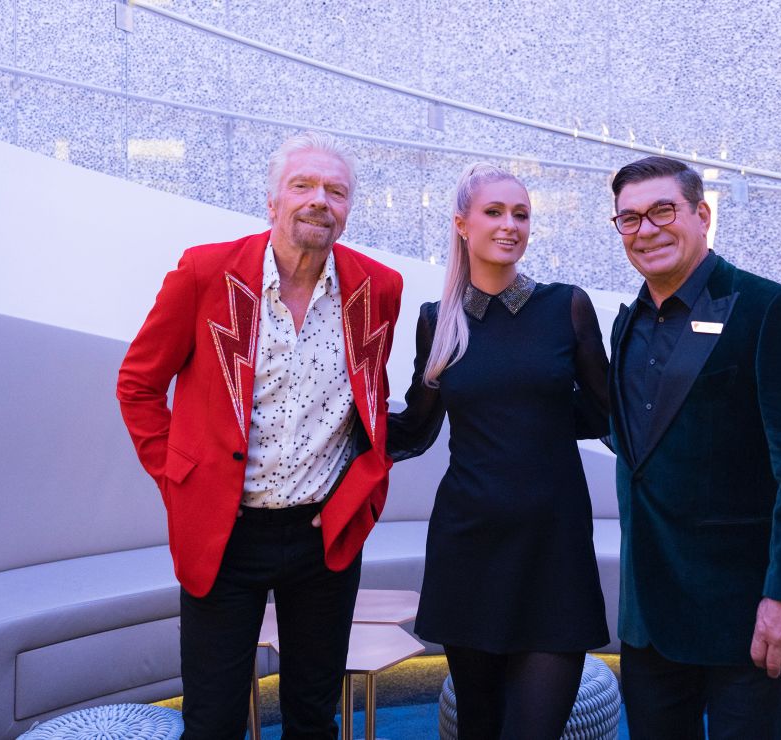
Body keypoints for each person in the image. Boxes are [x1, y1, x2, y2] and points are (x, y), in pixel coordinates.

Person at [116, 131, 402, 739]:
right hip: (226, 534)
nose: (319, 200)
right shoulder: (205, 272)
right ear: (271, 202)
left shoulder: (379, 289)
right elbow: (138, 386)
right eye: (302, 186)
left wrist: (363, 496)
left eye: (335, 190)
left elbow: (368, 405)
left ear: (348, 209)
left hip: (323, 534)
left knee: (311, 717)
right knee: (214, 720)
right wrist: (180, 479)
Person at [606, 156, 781, 739]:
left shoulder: (770, 310)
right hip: (649, 615)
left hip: (748, 616)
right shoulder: (627, 323)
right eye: (629, 219)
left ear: (701, 214)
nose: (647, 229)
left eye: (663, 210)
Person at [387, 162, 610, 739]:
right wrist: (333, 422)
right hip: (470, 549)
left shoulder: (567, 306)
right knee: (478, 729)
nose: (510, 225)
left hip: (553, 548)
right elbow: (416, 427)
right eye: (494, 212)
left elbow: (607, 413)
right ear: (462, 224)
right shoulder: (438, 320)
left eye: (521, 214)